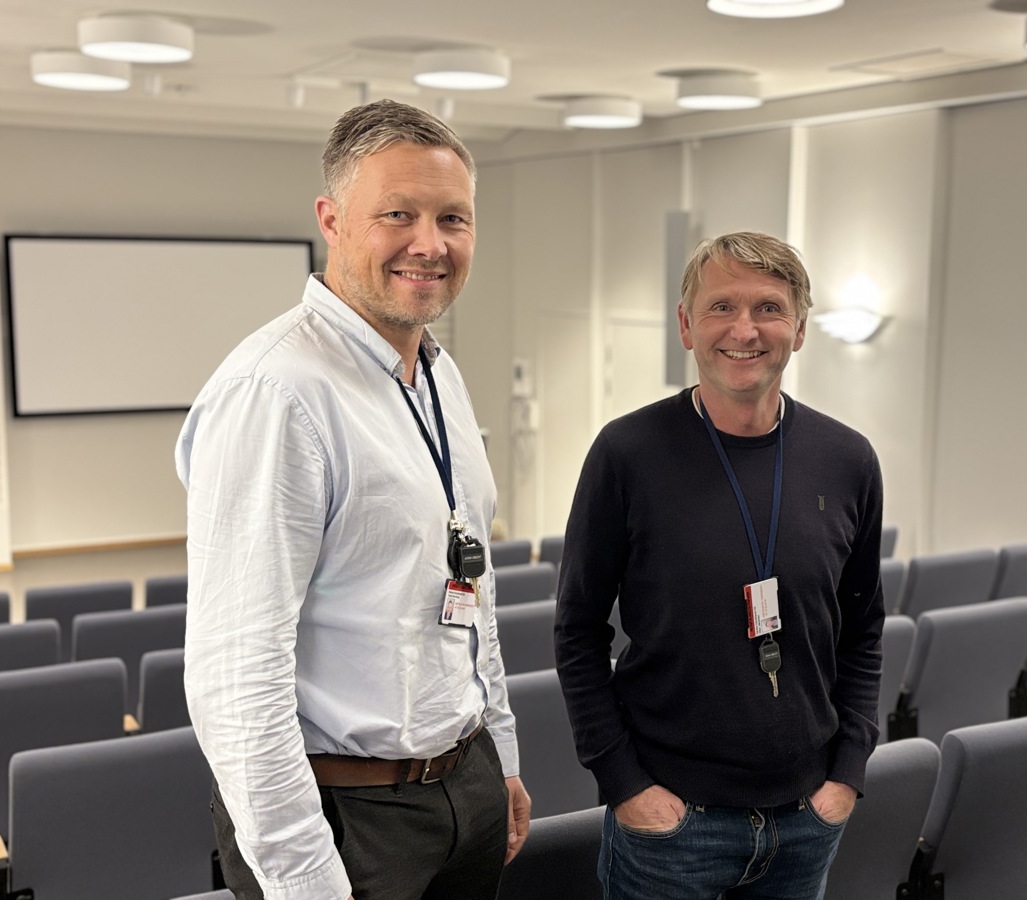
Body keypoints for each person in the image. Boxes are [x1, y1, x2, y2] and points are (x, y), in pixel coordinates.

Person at [177, 99, 530, 900]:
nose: (430, 243)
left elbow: (470, 588)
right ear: (332, 220)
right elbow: (237, 675)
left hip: (461, 785)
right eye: (397, 214)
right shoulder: (275, 393)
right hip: (347, 815)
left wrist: (495, 756)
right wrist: (304, 879)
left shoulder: (437, 372)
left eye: (453, 218)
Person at [554, 231, 884, 899]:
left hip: (806, 820)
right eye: (720, 307)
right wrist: (625, 785)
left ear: (799, 328)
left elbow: (864, 628)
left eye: (768, 308)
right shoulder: (626, 454)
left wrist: (845, 775)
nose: (744, 329)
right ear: (685, 325)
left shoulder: (848, 459)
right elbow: (577, 632)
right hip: (672, 825)